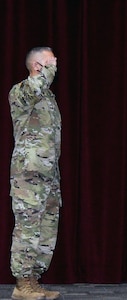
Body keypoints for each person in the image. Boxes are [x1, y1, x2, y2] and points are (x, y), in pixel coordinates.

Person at [9, 47, 61, 300]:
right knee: (27, 228)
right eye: (51, 61)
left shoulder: (48, 96)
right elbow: (34, 89)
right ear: (37, 66)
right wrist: (45, 71)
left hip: (48, 173)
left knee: (46, 228)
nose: (56, 64)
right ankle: (21, 284)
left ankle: (33, 280)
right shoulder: (20, 91)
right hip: (28, 174)